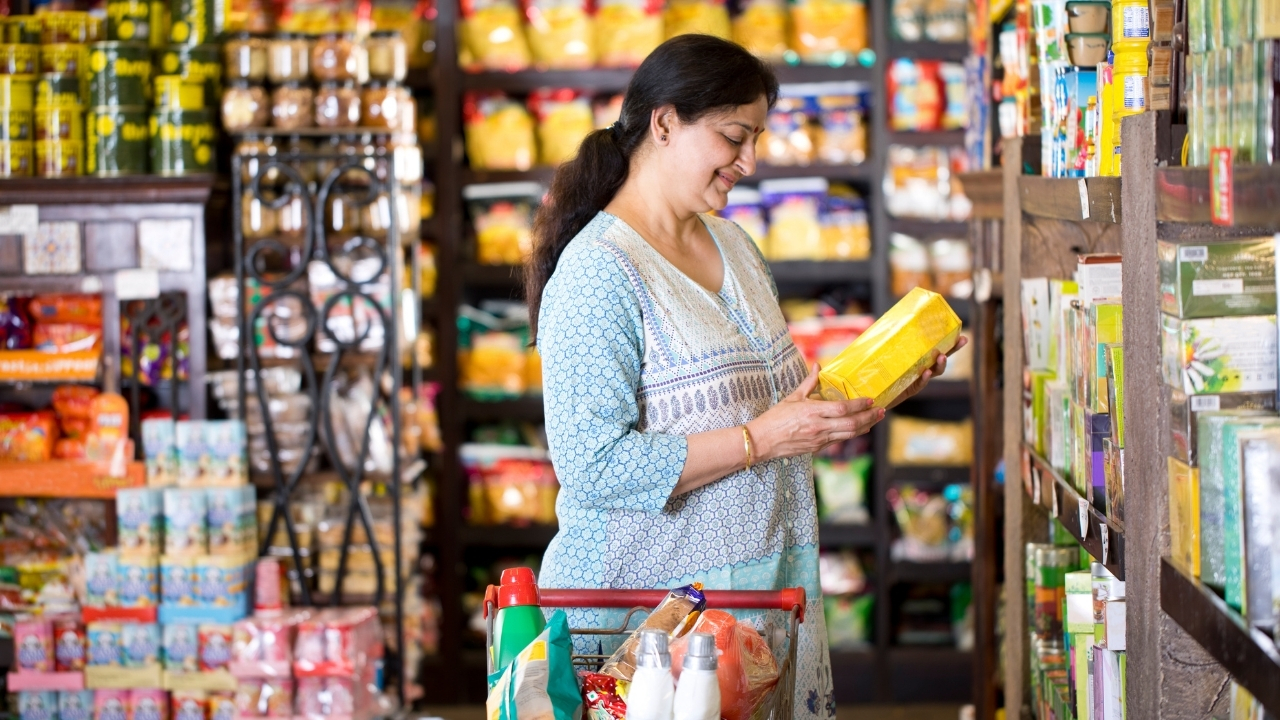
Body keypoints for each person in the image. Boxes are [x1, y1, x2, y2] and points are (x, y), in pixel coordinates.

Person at [527, 34, 961, 718]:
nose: (750, 162)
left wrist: (876, 389)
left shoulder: (733, 243)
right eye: (735, 136)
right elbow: (591, 464)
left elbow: (773, 411)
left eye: (756, 138)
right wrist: (761, 438)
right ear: (665, 123)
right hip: (650, 629)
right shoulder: (598, 272)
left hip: (757, 603)